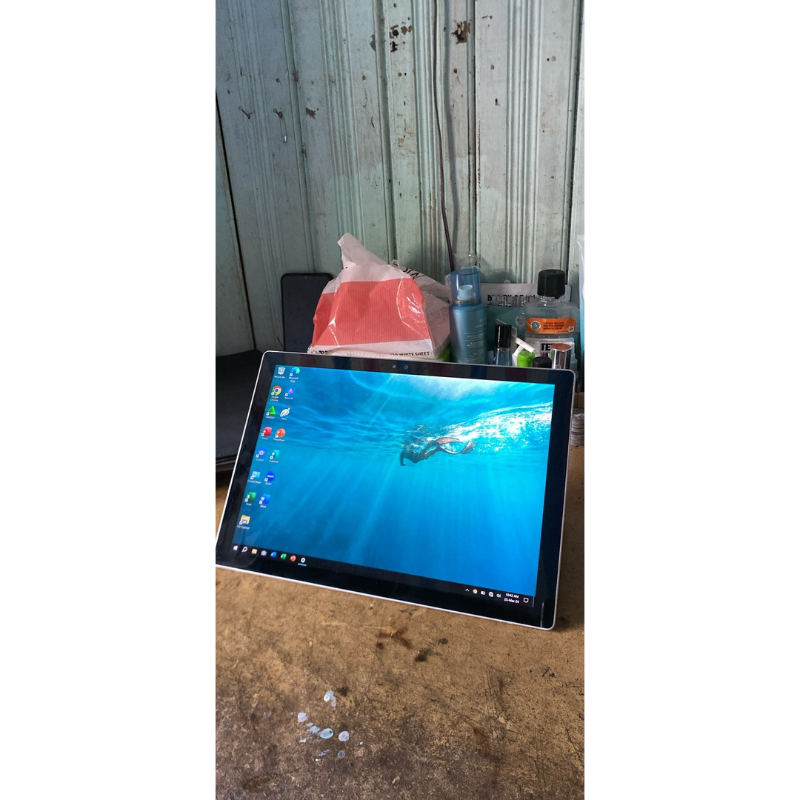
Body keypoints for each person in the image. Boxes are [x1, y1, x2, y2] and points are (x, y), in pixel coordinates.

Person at [399, 436, 475, 466]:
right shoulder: (403, 452)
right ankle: (436, 448)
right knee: (424, 456)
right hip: (418, 457)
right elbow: (401, 459)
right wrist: (402, 463)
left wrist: (402, 463)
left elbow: (402, 459)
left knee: (421, 456)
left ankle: (431, 445)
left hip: (417, 457)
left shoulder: (404, 452)